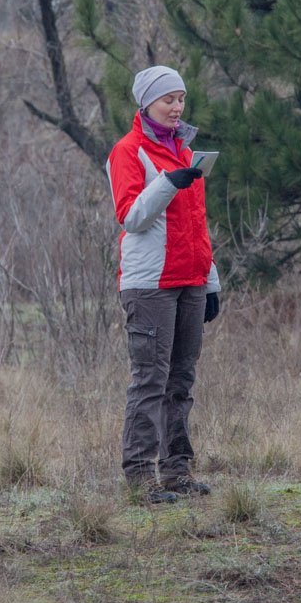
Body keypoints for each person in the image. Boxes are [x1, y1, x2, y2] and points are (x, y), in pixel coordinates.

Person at [105, 65, 221, 503]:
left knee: (181, 380)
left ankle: (177, 473)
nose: (177, 107)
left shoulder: (187, 154)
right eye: (168, 99)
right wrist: (169, 184)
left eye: (181, 99)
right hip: (150, 285)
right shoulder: (128, 151)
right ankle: (140, 479)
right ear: (146, 103)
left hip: (191, 281)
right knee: (149, 381)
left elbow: (198, 226)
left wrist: (211, 283)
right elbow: (130, 216)